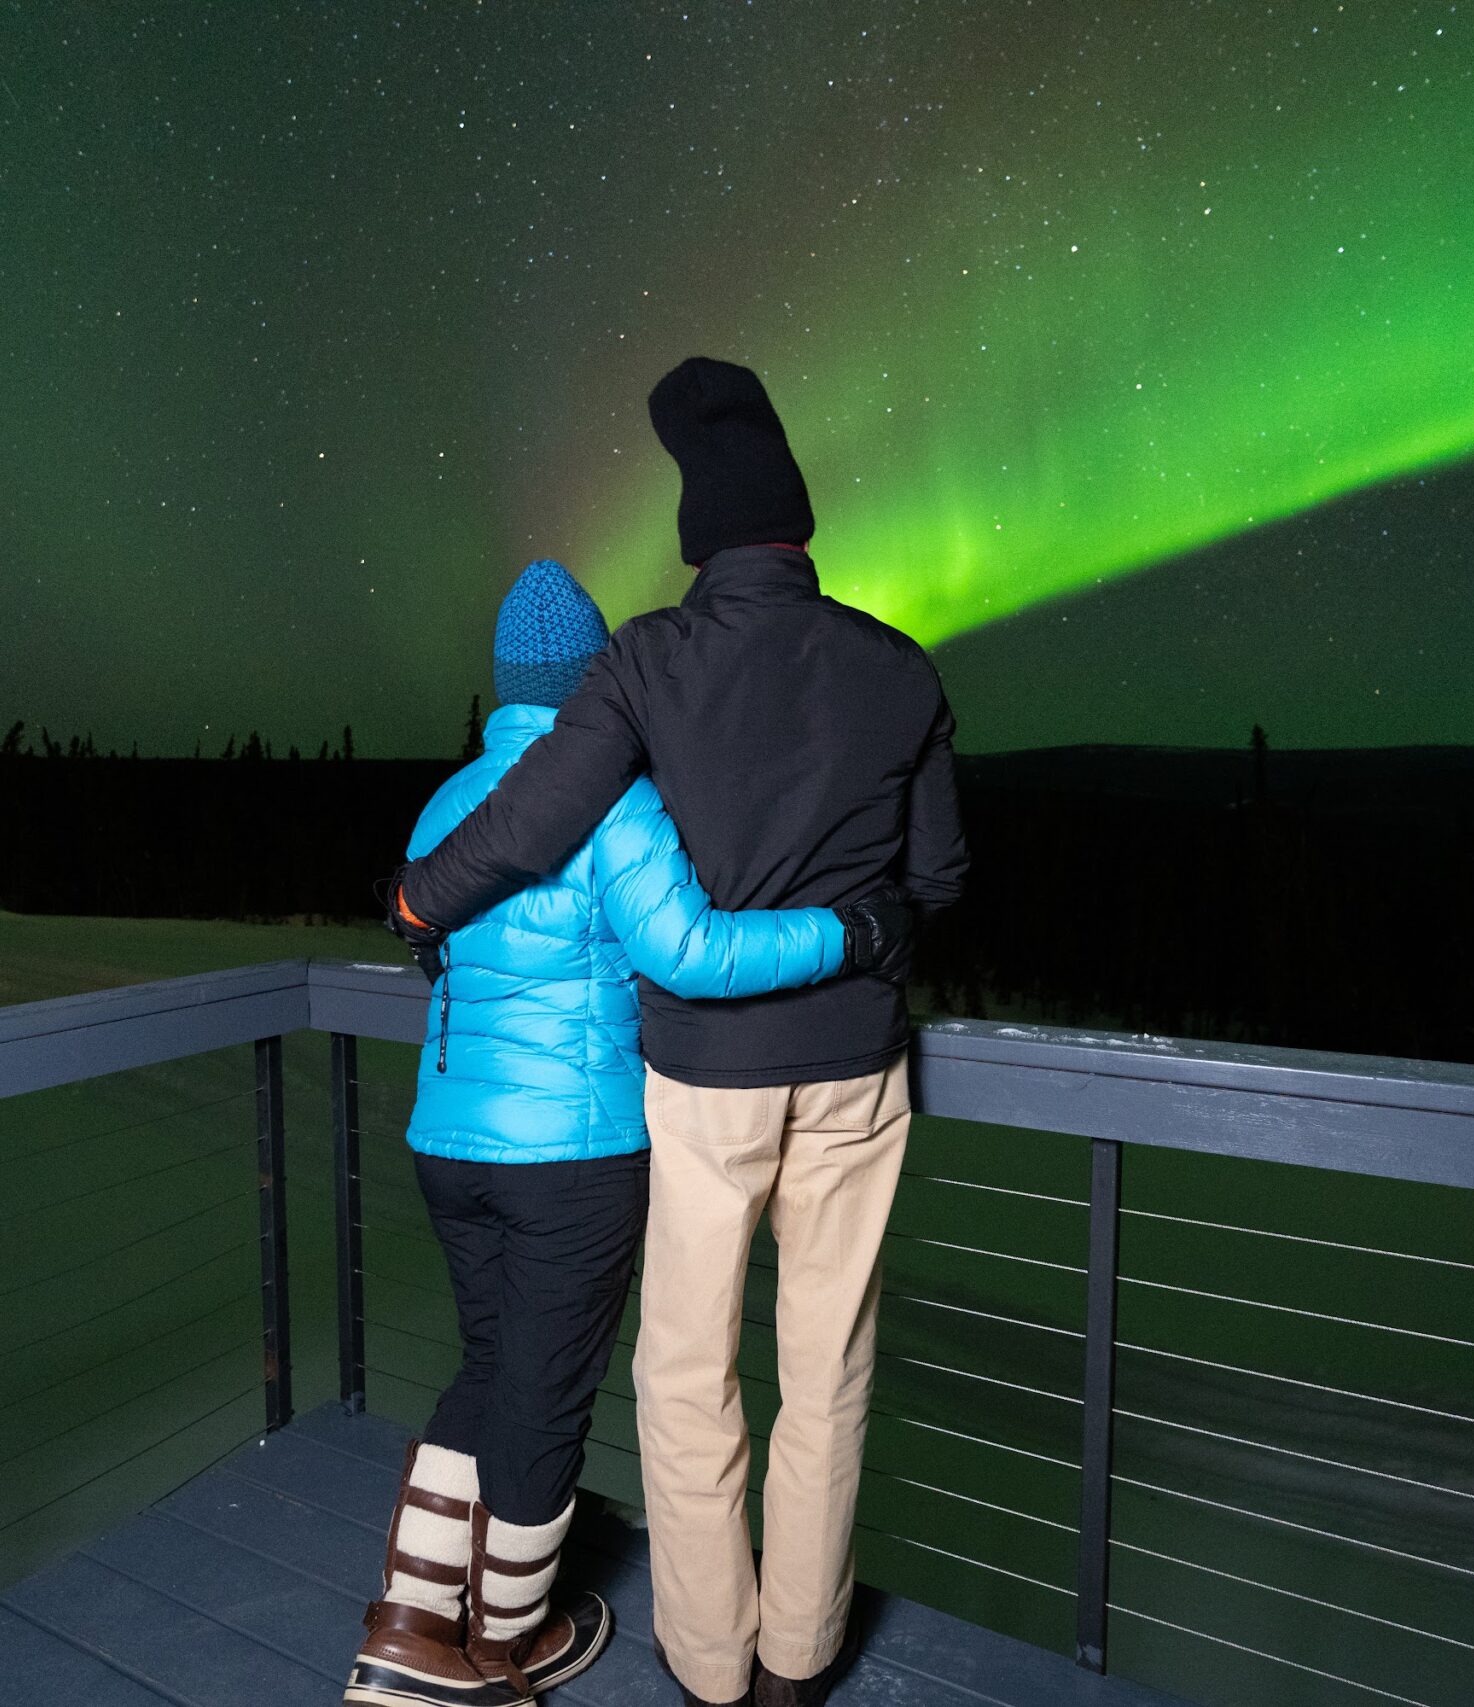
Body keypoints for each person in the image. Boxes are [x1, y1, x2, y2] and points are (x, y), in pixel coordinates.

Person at [390, 359, 968, 1707]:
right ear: (801, 529)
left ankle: (708, 1668)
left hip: (703, 1083)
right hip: (855, 1072)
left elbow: (536, 820)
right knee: (829, 1369)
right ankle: (798, 1661)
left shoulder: (648, 661)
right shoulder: (901, 670)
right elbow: (935, 884)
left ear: (699, 542)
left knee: (688, 1369)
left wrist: (423, 896)